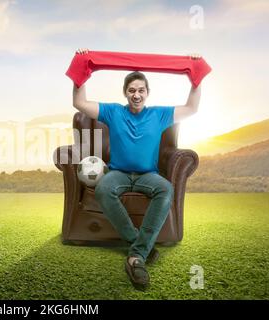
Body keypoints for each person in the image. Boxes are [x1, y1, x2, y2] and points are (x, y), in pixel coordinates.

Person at [72, 48, 202, 290]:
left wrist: (194, 79)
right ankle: (141, 247)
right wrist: (82, 73)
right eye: (132, 90)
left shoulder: (160, 114)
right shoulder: (113, 111)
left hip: (148, 176)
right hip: (118, 173)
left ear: (147, 93)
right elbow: (79, 102)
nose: (137, 94)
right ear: (125, 93)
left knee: (165, 189)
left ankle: (135, 255)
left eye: (141, 90)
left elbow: (191, 108)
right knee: (102, 189)